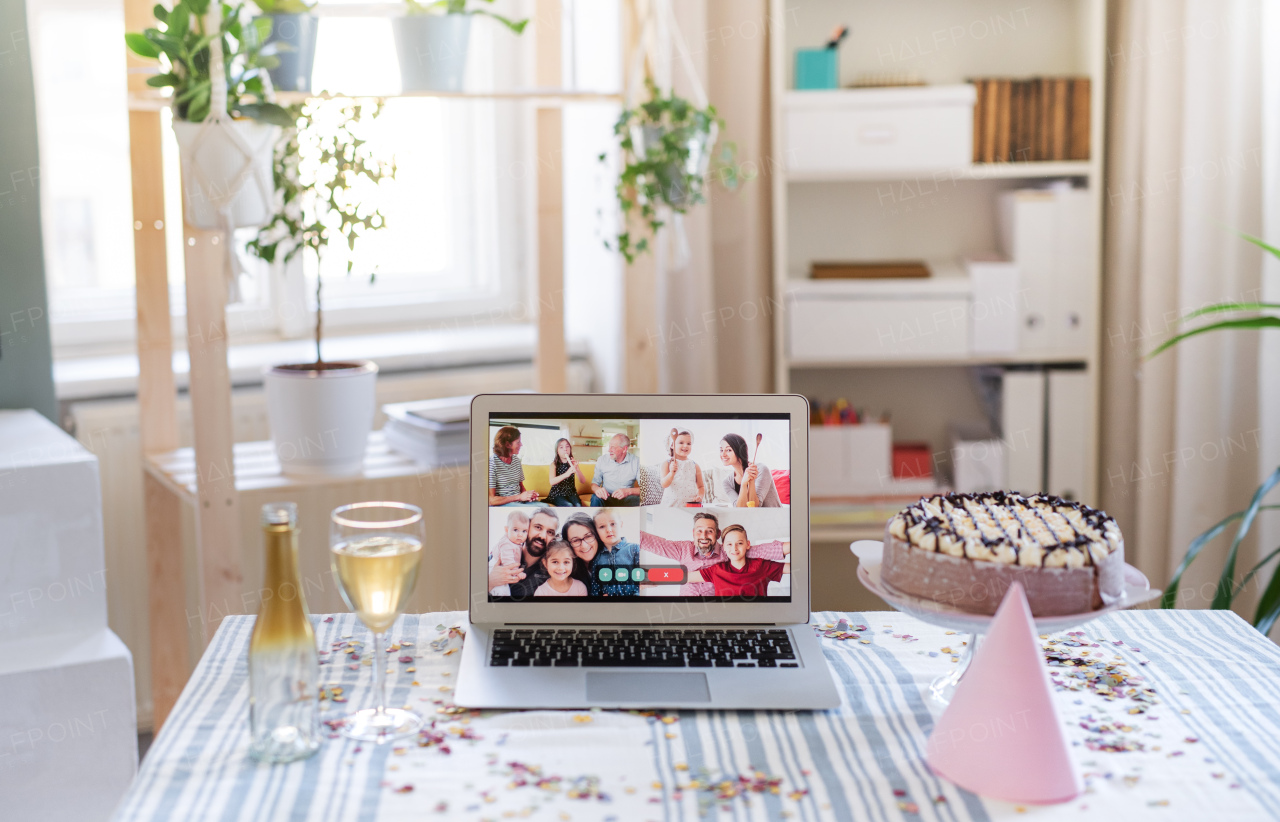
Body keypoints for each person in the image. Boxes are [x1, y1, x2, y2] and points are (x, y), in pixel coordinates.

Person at [639, 511, 788, 596]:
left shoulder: (728, 551)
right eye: (699, 531)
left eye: (709, 531)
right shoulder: (683, 549)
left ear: (717, 534)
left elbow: (763, 550)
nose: (703, 535)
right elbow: (652, 543)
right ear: (693, 533)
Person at [686, 524, 790, 598]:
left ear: (747, 544)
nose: (734, 548)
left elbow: (794, 568)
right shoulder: (716, 570)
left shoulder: (761, 566)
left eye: (739, 543)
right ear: (724, 548)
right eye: (729, 544)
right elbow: (685, 577)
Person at [488, 508, 560, 598]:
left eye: (550, 532)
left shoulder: (549, 574)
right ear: (527, 527)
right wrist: (489, 582)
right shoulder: (502, 551)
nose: (542, 536)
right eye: (538, 527)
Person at [719, 433, 781, 508]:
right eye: (721, 450)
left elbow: (755, 506)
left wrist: (751, 481)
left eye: (728, 450)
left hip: (773, 517)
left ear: (739, 451)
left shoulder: (761, 469)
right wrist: (744, 483)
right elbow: (739, 508)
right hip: (749, 518)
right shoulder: (727, 482)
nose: (723, 454)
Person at [488, 426, 542, 507]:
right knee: (531, 510)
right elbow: (491, 500)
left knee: (545, 507)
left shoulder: (516, 460)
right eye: (518, 442)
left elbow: (521, 486)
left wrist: (527, 495)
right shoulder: (492, 463)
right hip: (503, 504)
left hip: (519, 501)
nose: (521, 444)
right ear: (507, 444)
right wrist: (519, 497)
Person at [591, 509, 640, 595]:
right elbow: (595, 588)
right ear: (596, 531)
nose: (609, 530)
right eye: (602, 526)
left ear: (621, 524)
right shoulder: (597, 557)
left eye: (613, 524)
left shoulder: (634, 549)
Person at [590, 433, 641, 506]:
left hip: (627, 498)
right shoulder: (602, 460)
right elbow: (594, 484)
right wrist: (597, 489)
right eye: (609, 446)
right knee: (595, 498)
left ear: (624, 449)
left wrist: (628, 491)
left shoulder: (636, 462)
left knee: (637, 500)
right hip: (607, 497)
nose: (609, 450)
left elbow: (645, 488)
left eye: (612, 447)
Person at [659, 428, 704, 507]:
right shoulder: (667, 463)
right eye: (681, 442)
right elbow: (664, 484)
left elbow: (701, 486)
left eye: (689, 443)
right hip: (670, 505)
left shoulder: (695, 465)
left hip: (690, 506)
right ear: (672, 445)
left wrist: (700, 496)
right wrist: (671, 473)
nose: (685, 446)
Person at [488, 510, 529, 597]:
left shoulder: (515, 542)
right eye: (515, 530)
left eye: (524, 531)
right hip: (495, 568)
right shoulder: (506, 544)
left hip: (501, 568)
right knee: (503, 591)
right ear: (507, 530)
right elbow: (507, 561)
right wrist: (517, 573)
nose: (520, 535)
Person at [546, 437, 587, 507]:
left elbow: (583, 481)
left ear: (570, 449)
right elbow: (552, 481)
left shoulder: (572, 463)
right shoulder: (554, 464)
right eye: (561, 447)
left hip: (571, 493)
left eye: (567, 446)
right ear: (557, 451)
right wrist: (566, 474)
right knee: (569, 506)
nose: (565, 449)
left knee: (578, 505)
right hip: (557, 494)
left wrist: (577, 468)